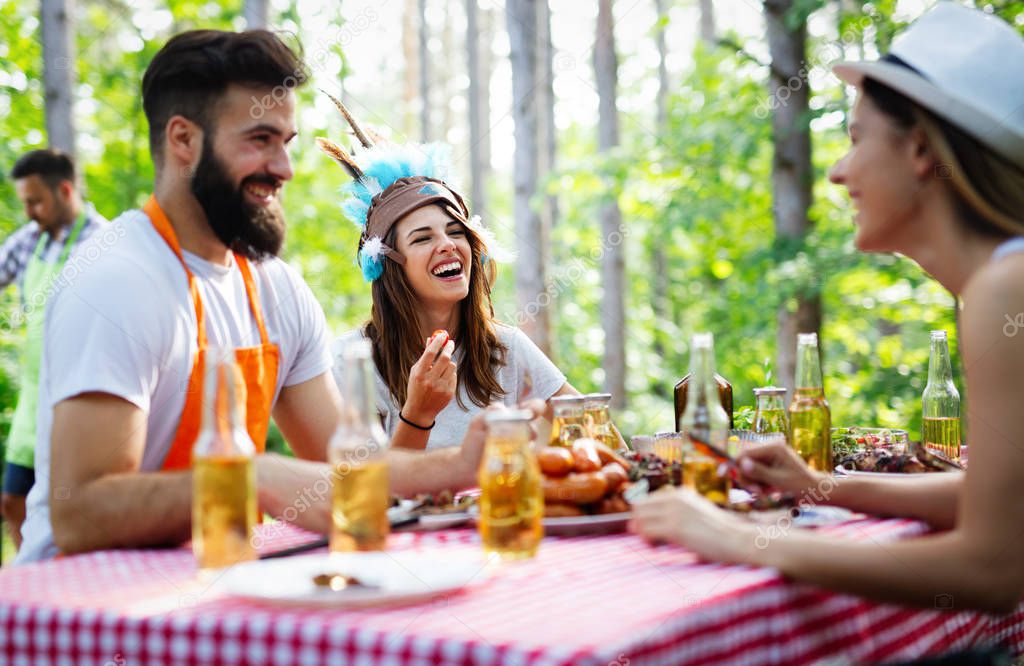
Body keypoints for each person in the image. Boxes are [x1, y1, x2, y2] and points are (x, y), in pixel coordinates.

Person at [16, 29, 530, 564]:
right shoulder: (115, 280)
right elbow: (81, 516)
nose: (284, 169)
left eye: (285, 143)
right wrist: (253, 478)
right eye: (260, 140)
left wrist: (464, 462)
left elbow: (352, 465)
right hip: (79, 604)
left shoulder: (276, 288)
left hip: (213, 577)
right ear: (183, 140)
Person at [633, 3, 1024, 613]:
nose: (840, 172)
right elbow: (997, 499)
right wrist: (818, 485)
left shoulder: (1006, 290)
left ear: (922, 150)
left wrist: (738, 539)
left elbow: (992, 569)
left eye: (856, 139)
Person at [319, 104, 578, 450]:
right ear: (391, 265)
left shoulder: (506, 349)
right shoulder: (354, 360)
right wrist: (418, 414)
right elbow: (363, 490)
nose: (447, 245)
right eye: (423, 238)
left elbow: (591, 425)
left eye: (456, 232)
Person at [1, 149, 108, 549]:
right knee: (13, 500)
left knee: (70, 504)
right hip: (33, 401)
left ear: (65, 190)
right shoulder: (29, 241)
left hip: (81, 395)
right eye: (25, 202)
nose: (28, 211)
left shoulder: (105, 241)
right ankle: (31, 576)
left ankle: (68, 579)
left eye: (35, 201)